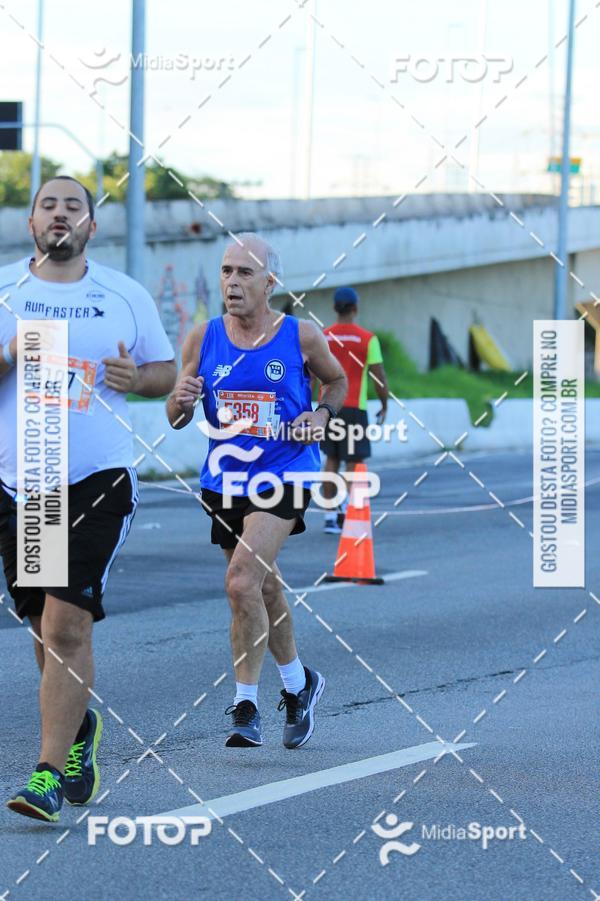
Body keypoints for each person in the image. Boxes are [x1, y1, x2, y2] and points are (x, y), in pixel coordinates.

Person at [0, 177, 176, 822]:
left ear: (91, 227)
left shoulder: (123, 294)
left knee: (66, 626)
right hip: (29, 485)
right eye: (49, 205)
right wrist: (9, 353)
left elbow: (164, 372)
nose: (61, 214)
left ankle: (47, 776)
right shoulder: (5, 291)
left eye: (74, 206)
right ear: (32, 223)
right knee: (43, 628)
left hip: (97, 480)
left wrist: (139, 377)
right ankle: (78, 730)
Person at [167, 233, 346, 749]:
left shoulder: (301, 335)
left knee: (241, 580)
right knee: (261, 587)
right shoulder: (202, 338)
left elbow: (336, 382)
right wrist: (180, 400)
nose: (232, 282)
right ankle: (299, 684)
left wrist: (321, 415)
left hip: (285, 471)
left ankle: (245, 705)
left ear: (270, 282)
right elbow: (176, 417)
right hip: (225, 478)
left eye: (245, 272)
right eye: (226, 271)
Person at [320, 286, 389, 533]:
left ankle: (329, 516)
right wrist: (384, 404)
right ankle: (347, 510)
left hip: (328, 407)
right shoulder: (368, 339)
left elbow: (310, 374)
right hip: (354, 408)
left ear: (334, 308)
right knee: (353, 460)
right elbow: (378, 377)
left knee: (331, 458)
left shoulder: (324, 336)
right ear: (355, 308)